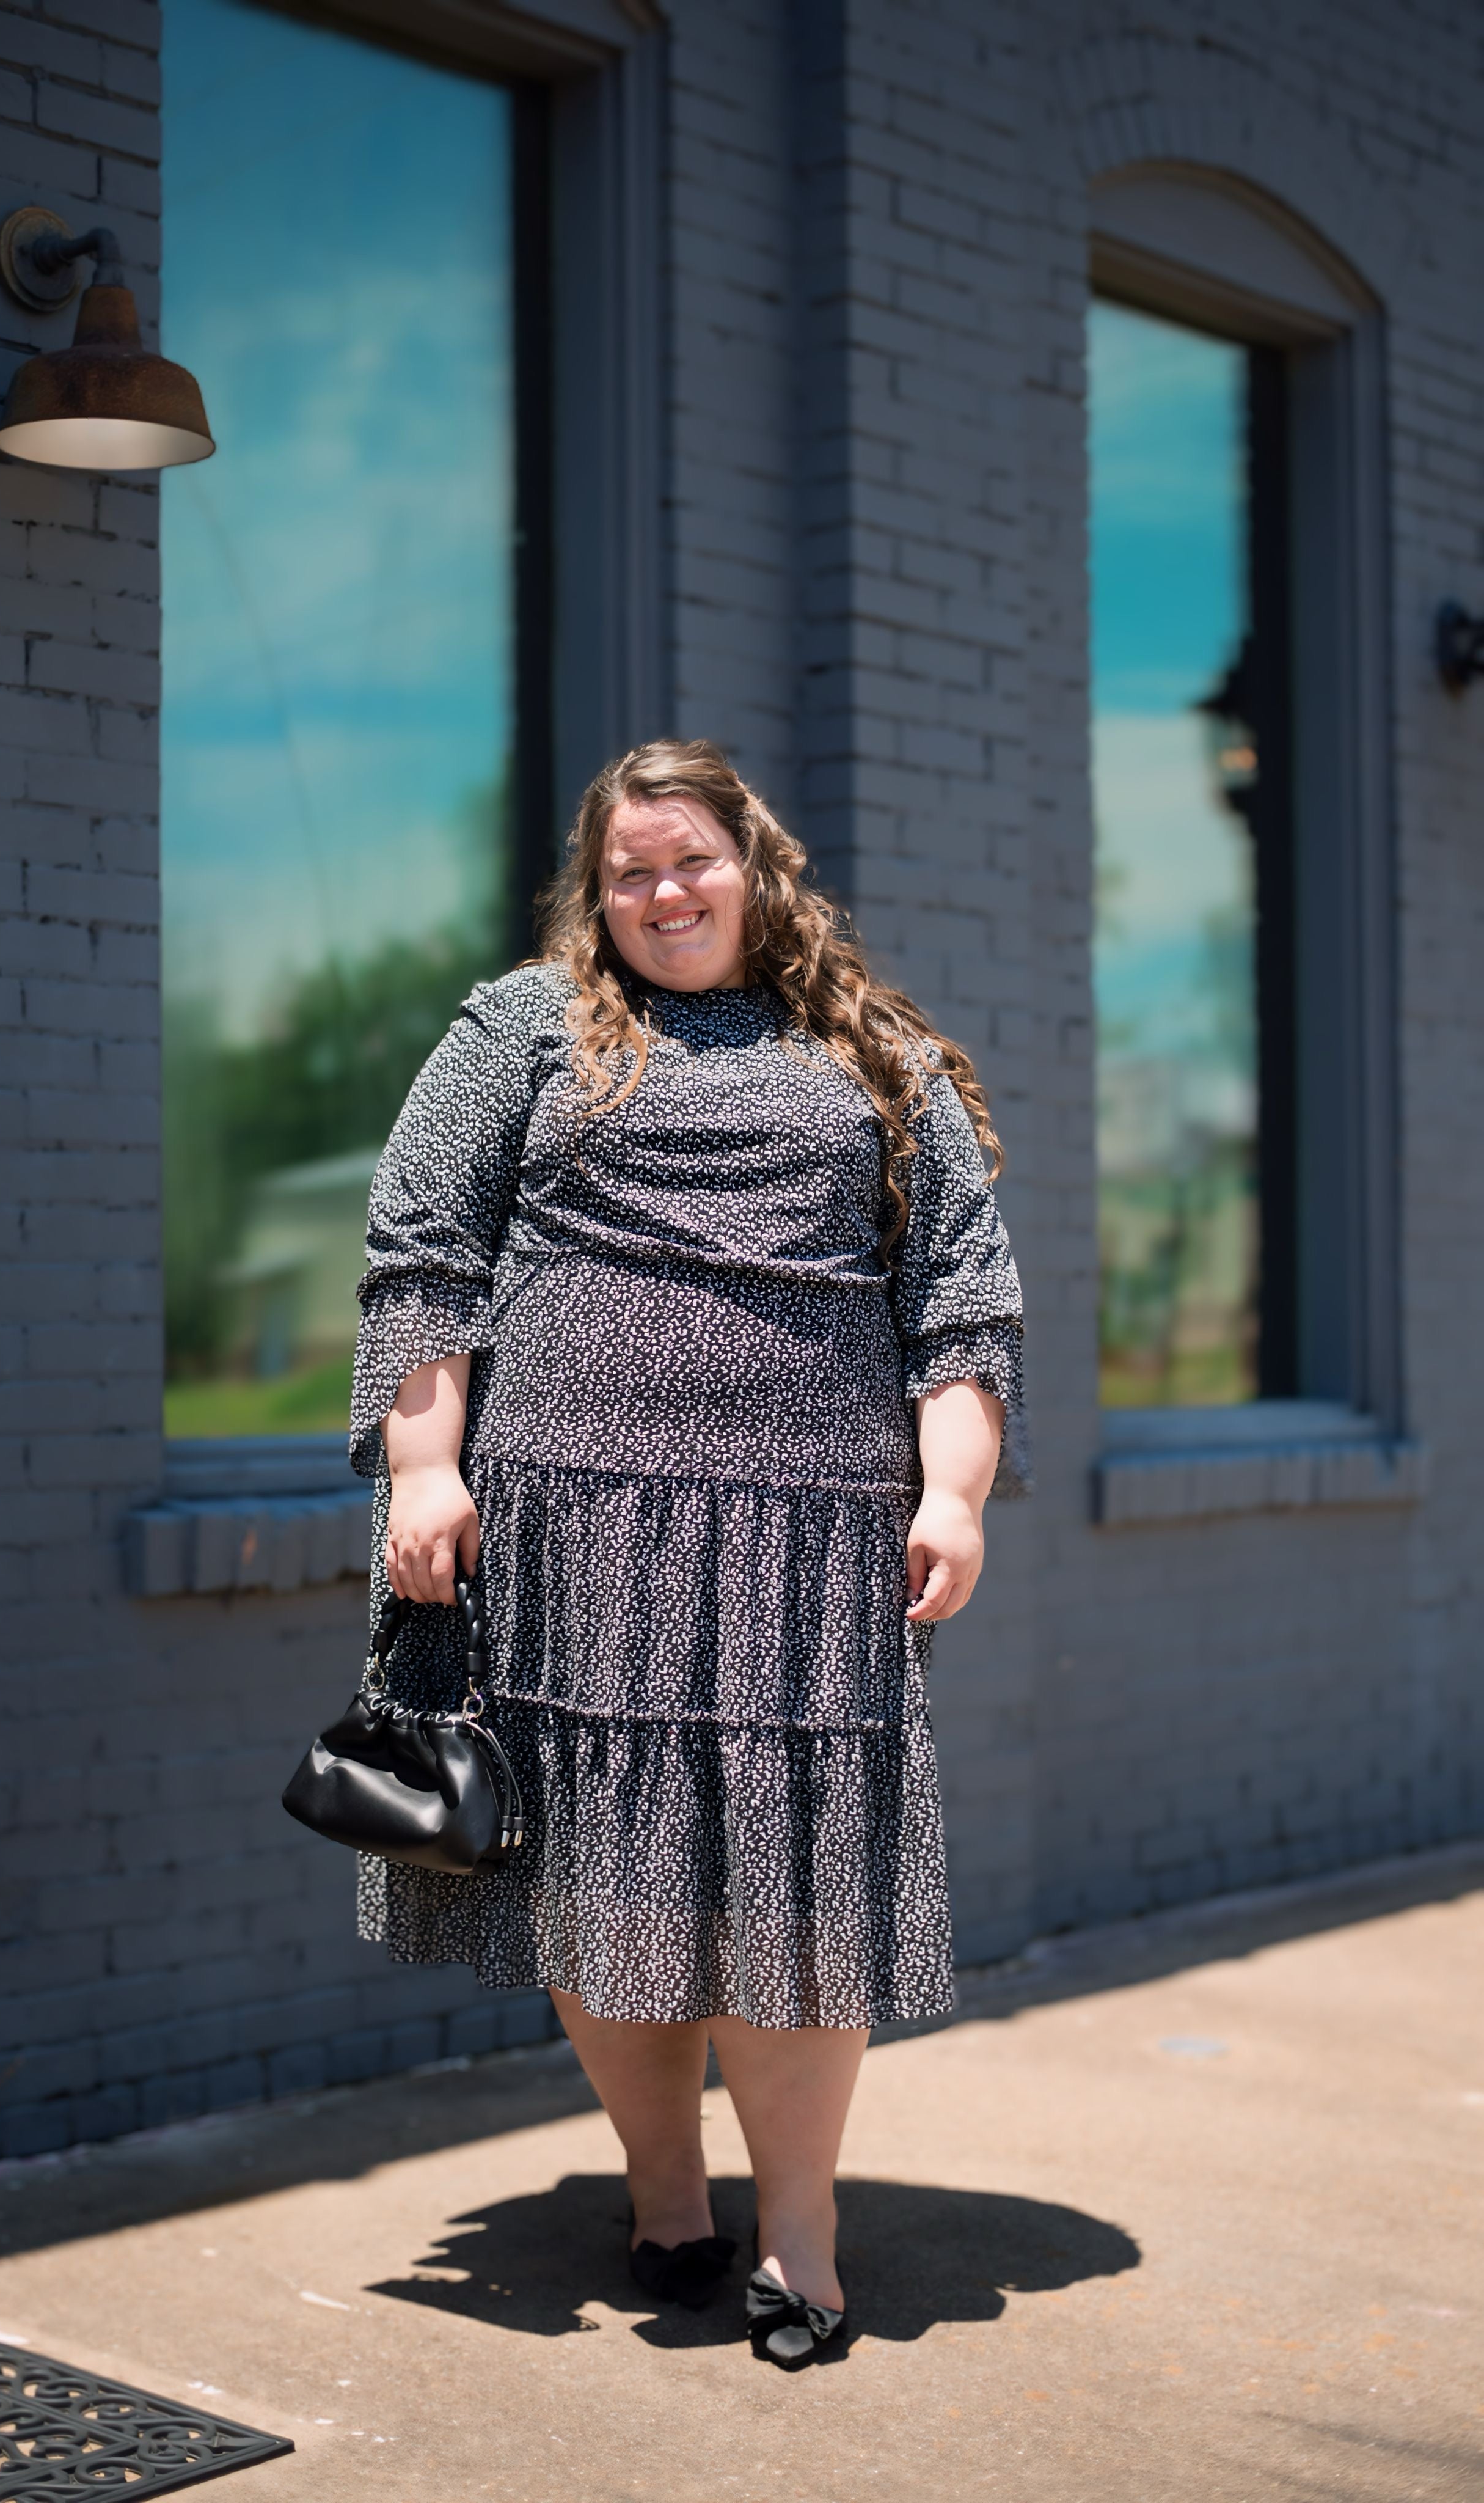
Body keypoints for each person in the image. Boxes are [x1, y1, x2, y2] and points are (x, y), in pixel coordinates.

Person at [348, 739, 1023, 2367]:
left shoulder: (873, 1051)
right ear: (596, 894)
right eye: (627, 873)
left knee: (796, 1888)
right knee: (605, 1867)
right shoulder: (519, 1028)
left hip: (809, 1531)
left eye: (689, 862)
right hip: (565, 1515)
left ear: (754, 862)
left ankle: (801, 2232)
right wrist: (422, 1467)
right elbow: (419, 1248)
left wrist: (955, 1496)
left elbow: (962, 1298)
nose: (662, 895)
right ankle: (666, 2196)